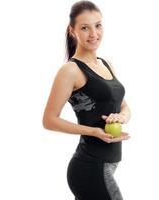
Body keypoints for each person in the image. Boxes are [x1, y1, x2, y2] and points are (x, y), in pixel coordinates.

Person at [42, 1, 131, 199]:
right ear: (72, 30)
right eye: (85, 28)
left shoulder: (106, 63)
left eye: (98, 25)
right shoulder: (71, 70)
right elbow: (49, 120)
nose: (94, 34)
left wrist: (121, 117)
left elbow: (124, 106)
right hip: (90, 167)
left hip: (107, 165)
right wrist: (93, 131)